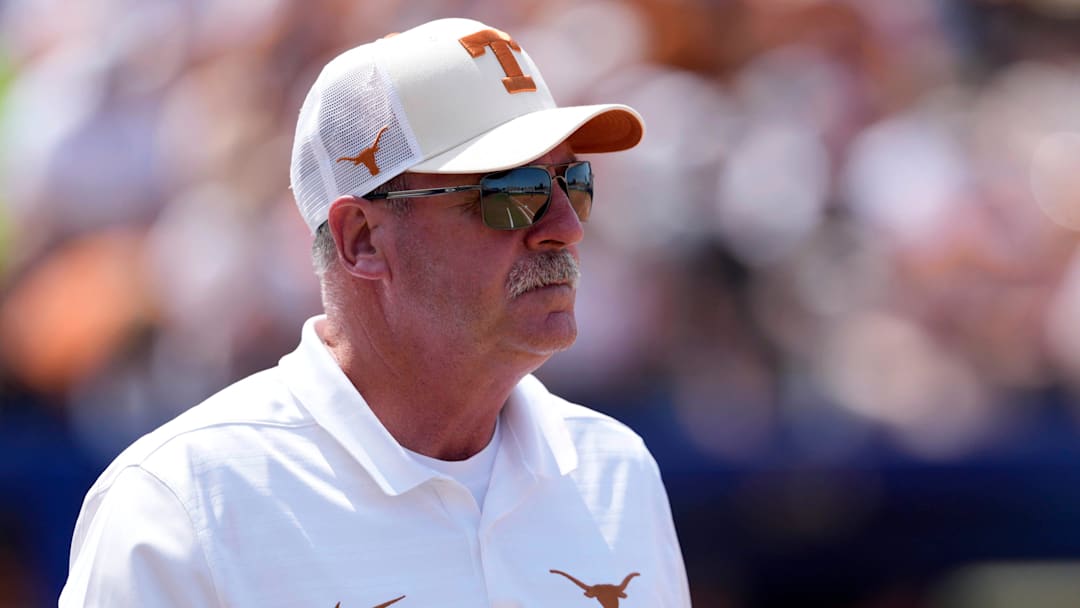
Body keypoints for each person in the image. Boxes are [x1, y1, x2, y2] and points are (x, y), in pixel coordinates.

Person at [60, 17, 691, 607]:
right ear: (362, 238)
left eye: (572, 182)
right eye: (513, 191)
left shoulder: (616, 470)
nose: (565, 227)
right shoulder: (185, 501)